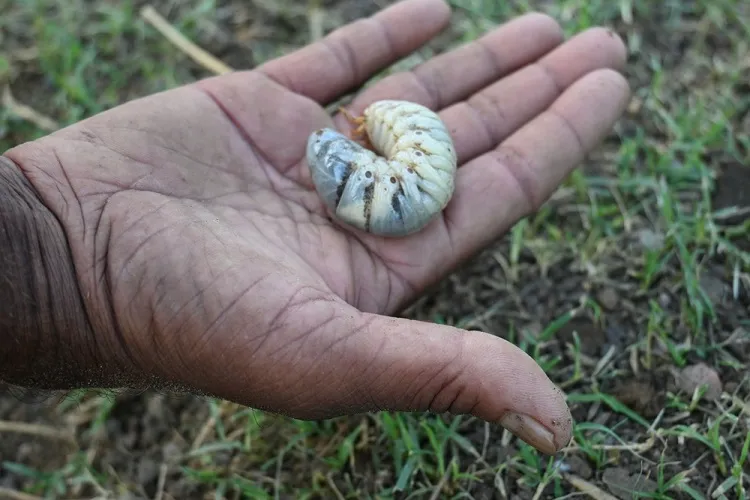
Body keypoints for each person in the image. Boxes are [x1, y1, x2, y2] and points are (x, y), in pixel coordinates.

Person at [0, 0, 629, 456]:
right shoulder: (390, 169)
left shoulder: (378, 164)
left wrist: (53, 246)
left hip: (399, 158)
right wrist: (56, 253)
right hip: (403, 159)